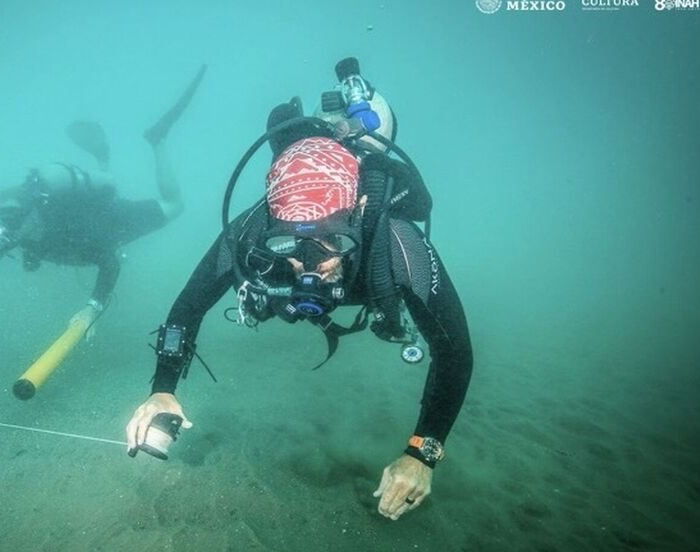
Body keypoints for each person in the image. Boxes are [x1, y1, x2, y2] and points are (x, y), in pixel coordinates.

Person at [125, 58, 472, 522]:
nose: (311, 265)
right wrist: (162, 390)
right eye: (288, 244)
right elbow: (187, 308)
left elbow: (454, 353)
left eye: (333, 241)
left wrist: (422, 453)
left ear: (359, 211)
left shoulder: (397, 243)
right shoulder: (251, 230)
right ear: (272, 219)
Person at [0, 66, 206, 329]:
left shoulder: (70, 229)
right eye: (6, 231)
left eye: (13, 230)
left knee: (175, 205)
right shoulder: (13, 227)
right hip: (90, 214)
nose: (9, 240)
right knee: (106, 194)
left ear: (29, 216)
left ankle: (157, 141)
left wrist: (91, 309)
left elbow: (109, 263)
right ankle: (103, 159)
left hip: (114, 219)